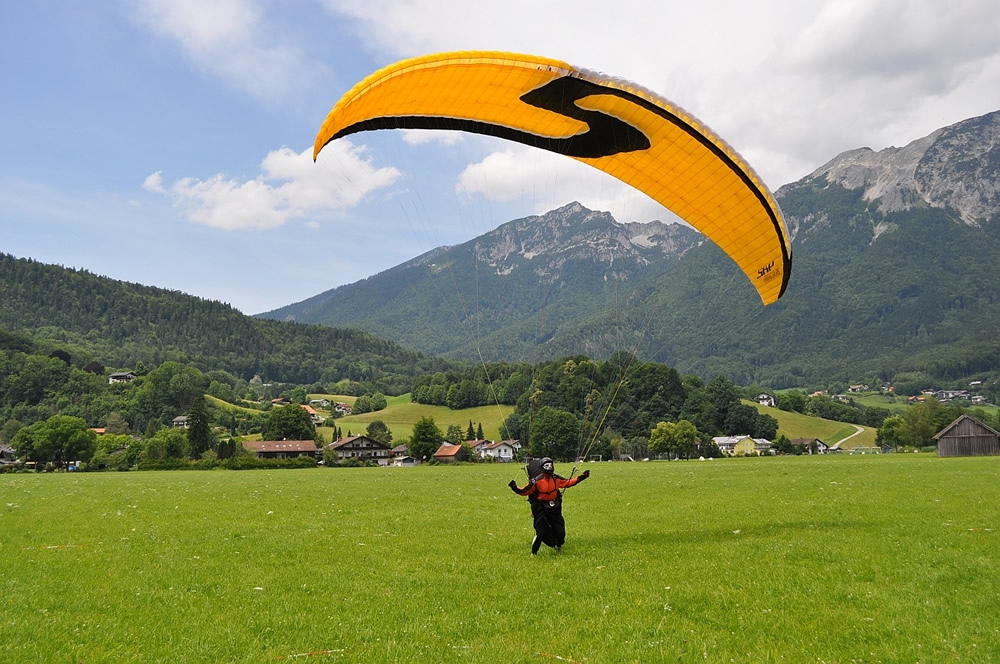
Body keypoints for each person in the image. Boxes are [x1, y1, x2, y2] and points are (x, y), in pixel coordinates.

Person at [508, 457, 590, 555]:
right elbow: (525, 491)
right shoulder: (536, 481)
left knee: (560, 531)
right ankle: (534, 553)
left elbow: (568, 483)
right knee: (540, 532)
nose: (549, 467)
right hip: (541, 508)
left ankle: (558, 546)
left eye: (551, 465)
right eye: (547, 466)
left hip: (554, 507)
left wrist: (582, 477)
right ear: (542, 467)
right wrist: (515, 488)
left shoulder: (555, 478)